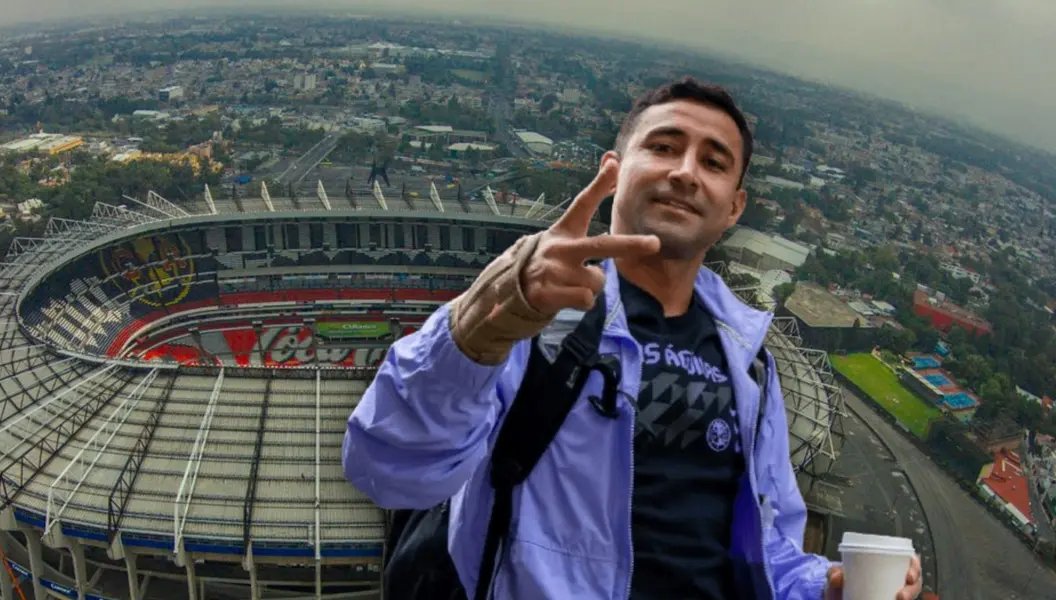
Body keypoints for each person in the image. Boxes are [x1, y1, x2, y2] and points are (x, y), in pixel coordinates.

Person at [343, 77, 923, 600]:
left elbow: (765, 555)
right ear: (615, 170)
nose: (686, 172)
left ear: (734, 209)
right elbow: (387, 470)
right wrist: (476, 328)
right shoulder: (538, 312)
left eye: (714, 162)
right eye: (664, 147)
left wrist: (826, 587)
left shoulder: (751, 368)